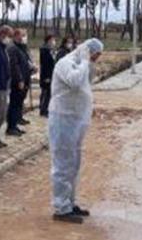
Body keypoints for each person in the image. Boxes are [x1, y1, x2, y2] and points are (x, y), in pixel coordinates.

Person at [49, 38, 104, 224]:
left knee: (73, 164)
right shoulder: (65, 63)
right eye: (95, 55)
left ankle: (70, 203)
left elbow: (87, 84)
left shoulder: (83, 65)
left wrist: (88, 64)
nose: (96, 59)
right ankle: (61, 208)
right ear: (88, 51)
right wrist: (86, 62)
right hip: (62, 118)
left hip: (75, 120)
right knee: (63, 165)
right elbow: (75, 82)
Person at [6, 28, 33, 136]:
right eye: (22, 35)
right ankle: (11, 127)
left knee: (18, 103)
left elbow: (25, 62)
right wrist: (19, 79)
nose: (24, 37)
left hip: (25, 78)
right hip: (17, 81)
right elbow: (14, 66)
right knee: (14, 103)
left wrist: (31, 68)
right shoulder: (13, 48)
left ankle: (15, 124)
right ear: (16, 36)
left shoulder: (22, 47)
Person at [39, 34, 57, 117]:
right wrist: (46, 77)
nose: (54, 42)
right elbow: (45, 65)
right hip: (46, 75)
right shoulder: (44, 51)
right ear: (48, 41)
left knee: (48, 93)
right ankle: (43, 110)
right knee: (46, 93)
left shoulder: (51, 50)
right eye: (52, 40)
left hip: (51, 74)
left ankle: (46, 109)